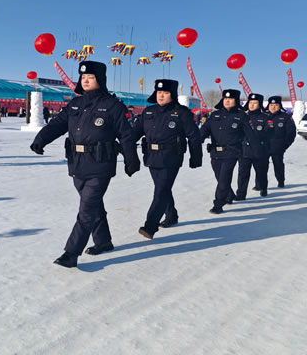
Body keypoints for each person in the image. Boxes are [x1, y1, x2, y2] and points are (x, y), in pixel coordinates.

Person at [30, 61, 140, 268]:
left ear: (100, 79)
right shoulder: (75, 104)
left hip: (101, 164)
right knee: (93, 204)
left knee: (86, 209)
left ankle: (71, 253)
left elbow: (126, 135)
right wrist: (41, 139)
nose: (86, 80)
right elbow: (58, 124)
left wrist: (131, 160)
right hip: (77, 164)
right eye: (83, 77)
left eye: (90, 77)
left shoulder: (113, 105)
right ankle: (103, 241)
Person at [132, 79, 202, 239]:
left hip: (171, 157)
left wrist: (196, 158)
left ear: (173, 94)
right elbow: (134, 133)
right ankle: (171, 215)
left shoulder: (181, 113)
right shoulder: (148, 112)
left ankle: (150, 226)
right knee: (162, 189)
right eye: (159, 92)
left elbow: (194, 136)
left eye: (165, 92)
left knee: (161, 190)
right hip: (151, 157)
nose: (161, 95)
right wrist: (123, 146)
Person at [200, 89, 256, 214]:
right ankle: (229, 195)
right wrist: (197, 140)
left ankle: (218, 204)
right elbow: (204, 129)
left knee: (224, 178)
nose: (227, 101)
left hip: (232, 152)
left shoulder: (241, 116)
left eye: (230, 99)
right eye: (225, 98)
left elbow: (251, 135)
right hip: (215, 152)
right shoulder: (215, 115)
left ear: (236, 101)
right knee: (220, 177)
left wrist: (257, 150)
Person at [236, 93, 272, 198]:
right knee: (243, 174)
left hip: (260, 151)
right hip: (245, 150)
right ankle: (241, 194)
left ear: (259, 104)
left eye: (255, 103)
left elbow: (269, 135)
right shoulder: (243, 117)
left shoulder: (265, 118)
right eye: (250, 102)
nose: (252, 105)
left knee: (261, 172)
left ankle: (263, 188)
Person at [261, 96, 296, 188]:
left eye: (276, 105)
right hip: (264, 147)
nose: (273, 107)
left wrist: (284, 145)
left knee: (278, 165)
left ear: (280, 106)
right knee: (262, 166)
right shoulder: (263, 116)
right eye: (271, 105)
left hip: (278, 147)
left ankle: (280, 181)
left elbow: (291, 133)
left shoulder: (285, 117)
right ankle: (260, 184)